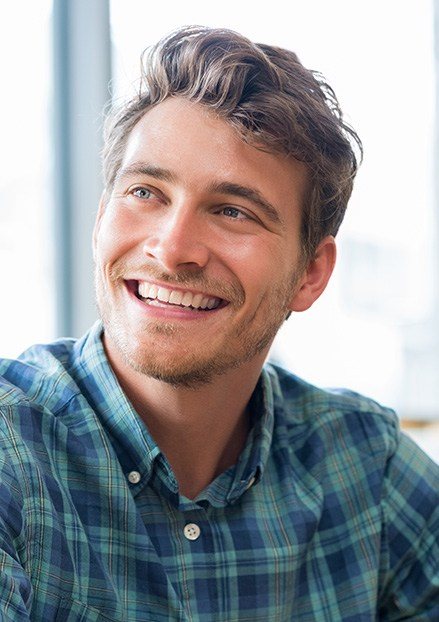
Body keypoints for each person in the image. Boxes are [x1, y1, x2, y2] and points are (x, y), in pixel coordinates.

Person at [0, 25, 437, 621]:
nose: (173, 248)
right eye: (146, 192)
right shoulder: (12, 452)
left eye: (233, 211)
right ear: (102, 217)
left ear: (311, 272)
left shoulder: (366, 468)